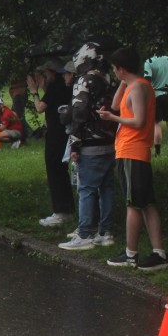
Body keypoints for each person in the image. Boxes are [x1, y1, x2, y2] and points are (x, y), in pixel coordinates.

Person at [101, 47, 168, 272]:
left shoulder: (139, 87)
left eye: (115, 68)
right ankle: (158, 253)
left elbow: (139, 121)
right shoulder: (133, 85)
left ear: (121, 69)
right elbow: (115, 105)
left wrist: (114, 119)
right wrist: (123, 82)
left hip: (133, 150)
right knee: (146, 203)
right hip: (131, 150)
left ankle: (131, 254)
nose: (114, 72)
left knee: (134, 204)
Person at [58, 43, 116, 250]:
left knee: (87, 189)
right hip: (109, 141)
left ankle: (84, 235)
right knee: (106, 188)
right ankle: (105, 232)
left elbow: (79, 112)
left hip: (89, 143)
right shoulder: (109, 79)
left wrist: (75, 143)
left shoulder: (84, 80)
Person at [28, 60, 75, 227]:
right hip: (64, 133)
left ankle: (60, 211)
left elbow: (40, 107)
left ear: (52, 73)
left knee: (54, 169)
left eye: (45, 74)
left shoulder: (55, 87)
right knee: (61, 170)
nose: (44, 76)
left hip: (56, 135)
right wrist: (42, 86)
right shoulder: (65, 87)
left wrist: (34, 92)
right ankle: (67, 209)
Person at [143, 51, 168, 156]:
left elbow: (147, 79)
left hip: (156, 95)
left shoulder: (149, 61)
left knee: (157, 124)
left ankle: (157, 152)